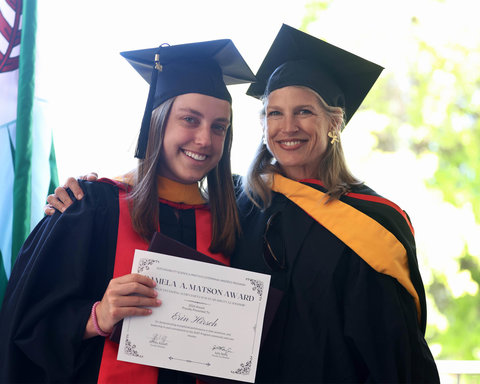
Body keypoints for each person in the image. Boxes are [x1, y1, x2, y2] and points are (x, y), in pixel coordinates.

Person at [42, 25, 440, 383]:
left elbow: (394, 353)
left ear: (334, 122)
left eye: (304, 112)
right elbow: (166, 181)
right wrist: (87, 192)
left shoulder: (373, 224)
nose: (288, 127)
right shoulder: (239, 205)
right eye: (274, 114)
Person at [0, 39, 255, 383]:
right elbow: (24, 324)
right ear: (157, 121)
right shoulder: (91, 207)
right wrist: (96, 317)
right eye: (190, 120)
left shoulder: (237, 222)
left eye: (218, 127)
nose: (205, 140)